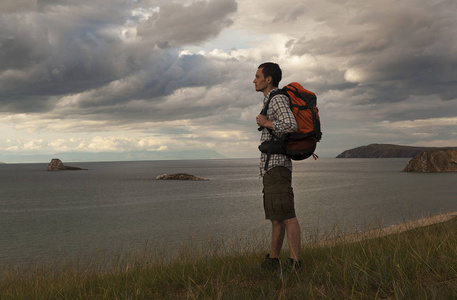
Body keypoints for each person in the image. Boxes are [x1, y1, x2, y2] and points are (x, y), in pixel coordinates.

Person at [254, 62, 302, 270]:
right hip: (271, 168)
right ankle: (274, 260)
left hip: (277, 167)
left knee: (287, 215)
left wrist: (266, 123)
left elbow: (291, 124)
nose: (254, 80)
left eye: (257, 76)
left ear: (268, 79)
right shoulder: (270, 101)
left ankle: (295, 263)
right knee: (276, 217)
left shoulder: (277, 99)